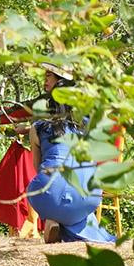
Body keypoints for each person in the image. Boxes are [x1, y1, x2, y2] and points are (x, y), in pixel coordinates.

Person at [22, 66, 116, 244]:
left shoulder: (38, 127)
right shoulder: (90, 126)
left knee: (41, 188)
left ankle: (52, 221)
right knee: (74, 202)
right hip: (90, 196)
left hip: (50, 192)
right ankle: (63, 224)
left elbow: (38, 167)